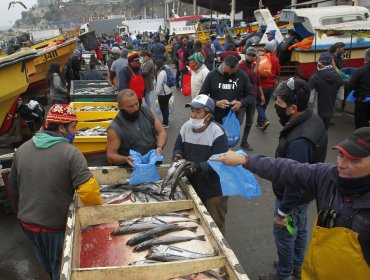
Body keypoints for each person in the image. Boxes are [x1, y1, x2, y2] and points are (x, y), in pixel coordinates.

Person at [211, 127, 370, 280]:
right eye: (341, 156)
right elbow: (289, 169)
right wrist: (245, 160)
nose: (341, 165)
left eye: (354, 161)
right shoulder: (328, 176)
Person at [8, 104, 103, 280]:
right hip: (55, 228)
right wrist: (99, 213)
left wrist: (20, 215)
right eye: (73, 127)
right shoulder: (71, 154)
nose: (76, 131)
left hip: (28, 225)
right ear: (61, 127)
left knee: (48, 265)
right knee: (61, 270)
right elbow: (90, 194)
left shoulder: (22, 150)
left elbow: (12, 188)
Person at [260, 77, 328, 280]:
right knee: (299, 230)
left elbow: (294, 181)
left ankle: (284, 274)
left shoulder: (300, 141)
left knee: (285, 235)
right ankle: (297, 266)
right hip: (307, 195)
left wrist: (283, 211)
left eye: (279, 104)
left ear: (292, 108)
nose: (276, 107)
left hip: (293, 197)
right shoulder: (312, 118)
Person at [173, 94, 229, 234]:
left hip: (214, 189)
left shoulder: (217, 133)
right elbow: (178, 147)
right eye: (192, 111)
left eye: (198, 112)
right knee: (194, 222)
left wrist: (198, 167)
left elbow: (219, 161)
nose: (193, 115)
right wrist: (177, 156)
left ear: (208, 116)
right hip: (193, 184)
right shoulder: (186, 127)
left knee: (215, 227)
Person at [107, 89, 167, 166]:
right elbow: (110, 155)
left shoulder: (147, 112)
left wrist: (160, 147)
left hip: (153, 165)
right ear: (120, 106)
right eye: (130, 106)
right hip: (131, 170)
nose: (135, 108)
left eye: (137, 104)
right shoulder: (114, 129)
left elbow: (161, 132)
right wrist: (125, 159)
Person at [199, 55, 254, 125]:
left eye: (233, 72)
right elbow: (202, 95)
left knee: (231, 136)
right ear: (223, 65)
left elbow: (251, 96)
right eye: (227, 72)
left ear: (237, 66)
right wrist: (216, 103)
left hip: (233, 117)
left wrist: (241, 103)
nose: (229, 74)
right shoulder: (212, 75)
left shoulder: (242, 76)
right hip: (214, 118)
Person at [238, 47, 265, 151]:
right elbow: (253, 75)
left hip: (253, 98)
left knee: (249, 121)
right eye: (249, 55)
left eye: (253, 55)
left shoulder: (254, 66)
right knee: (239, 121)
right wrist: (258, 63)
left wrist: (261, 95)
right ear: (245, 55)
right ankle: (230, 140)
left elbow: (257, 82)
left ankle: (244, 142)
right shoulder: (242, 66)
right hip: (243, 98)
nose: (251, 57)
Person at [309, 52, 342, 130]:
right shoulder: (338, 77)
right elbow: (340, 97)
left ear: (320, 62)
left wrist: (308, 110)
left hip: (316, 112)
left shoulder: (314, 78)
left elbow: (310, 99)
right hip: (330, 111)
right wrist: (334, 106)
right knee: (324, 132)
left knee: (315, 133)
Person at [256, 43, 280, 131]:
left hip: (261, 86)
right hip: (271, 86)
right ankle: (260, 122)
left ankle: (263, 119)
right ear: (273, 50)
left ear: (265, 49)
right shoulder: (275, 59)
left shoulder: (261, 58)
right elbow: (278, 72)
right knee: (264, 104)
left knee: (258, 103)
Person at [348, 48, 370, 128]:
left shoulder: (360, 70)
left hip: (362, 100)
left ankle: (362, 138)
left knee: (361, 122)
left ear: (366, 58)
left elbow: (350, 85)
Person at [154, 59, 173, 128]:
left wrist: (156, 94)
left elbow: (159, 85)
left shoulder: (161, 73)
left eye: (155, 65)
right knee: (165, 107)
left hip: (163, 94)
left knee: (163, 108)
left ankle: (165, 123)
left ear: (158, 65)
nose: (155, 66)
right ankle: (166, 120)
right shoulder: (166, 69)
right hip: (168, 92)